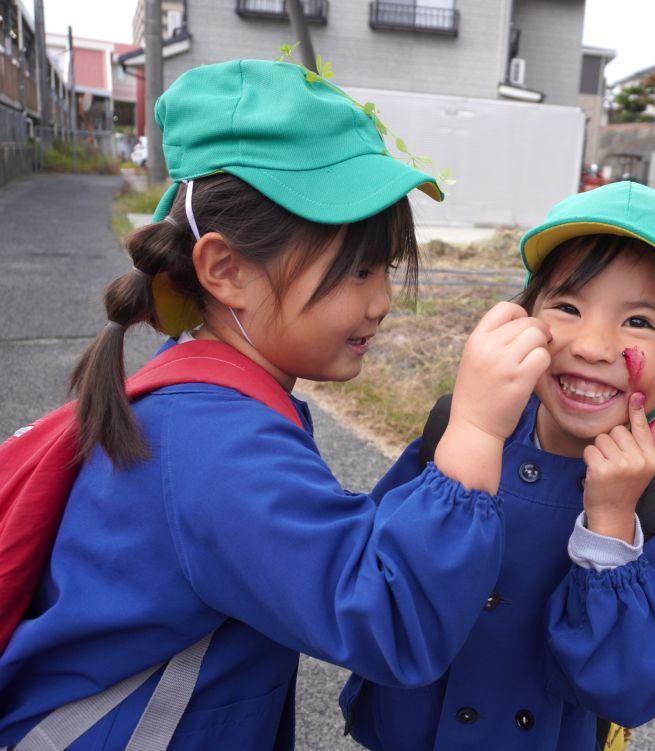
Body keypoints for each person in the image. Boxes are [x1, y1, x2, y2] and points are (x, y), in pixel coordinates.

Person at [0, 60, 551, 749]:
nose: (381, 301)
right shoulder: (219, 449)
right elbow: (394, 621)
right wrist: (473, 431)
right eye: (357, 269)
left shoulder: (204, 403)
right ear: (225, 270)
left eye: (383, 268)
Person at [340, 181, 655, 751]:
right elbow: (372, 582)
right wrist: (473, 438)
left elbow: (630, 687)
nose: (592, 346)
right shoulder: (461, 426)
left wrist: (613, 529)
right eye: (567, 307)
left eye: (638, 321)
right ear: (525, 319)